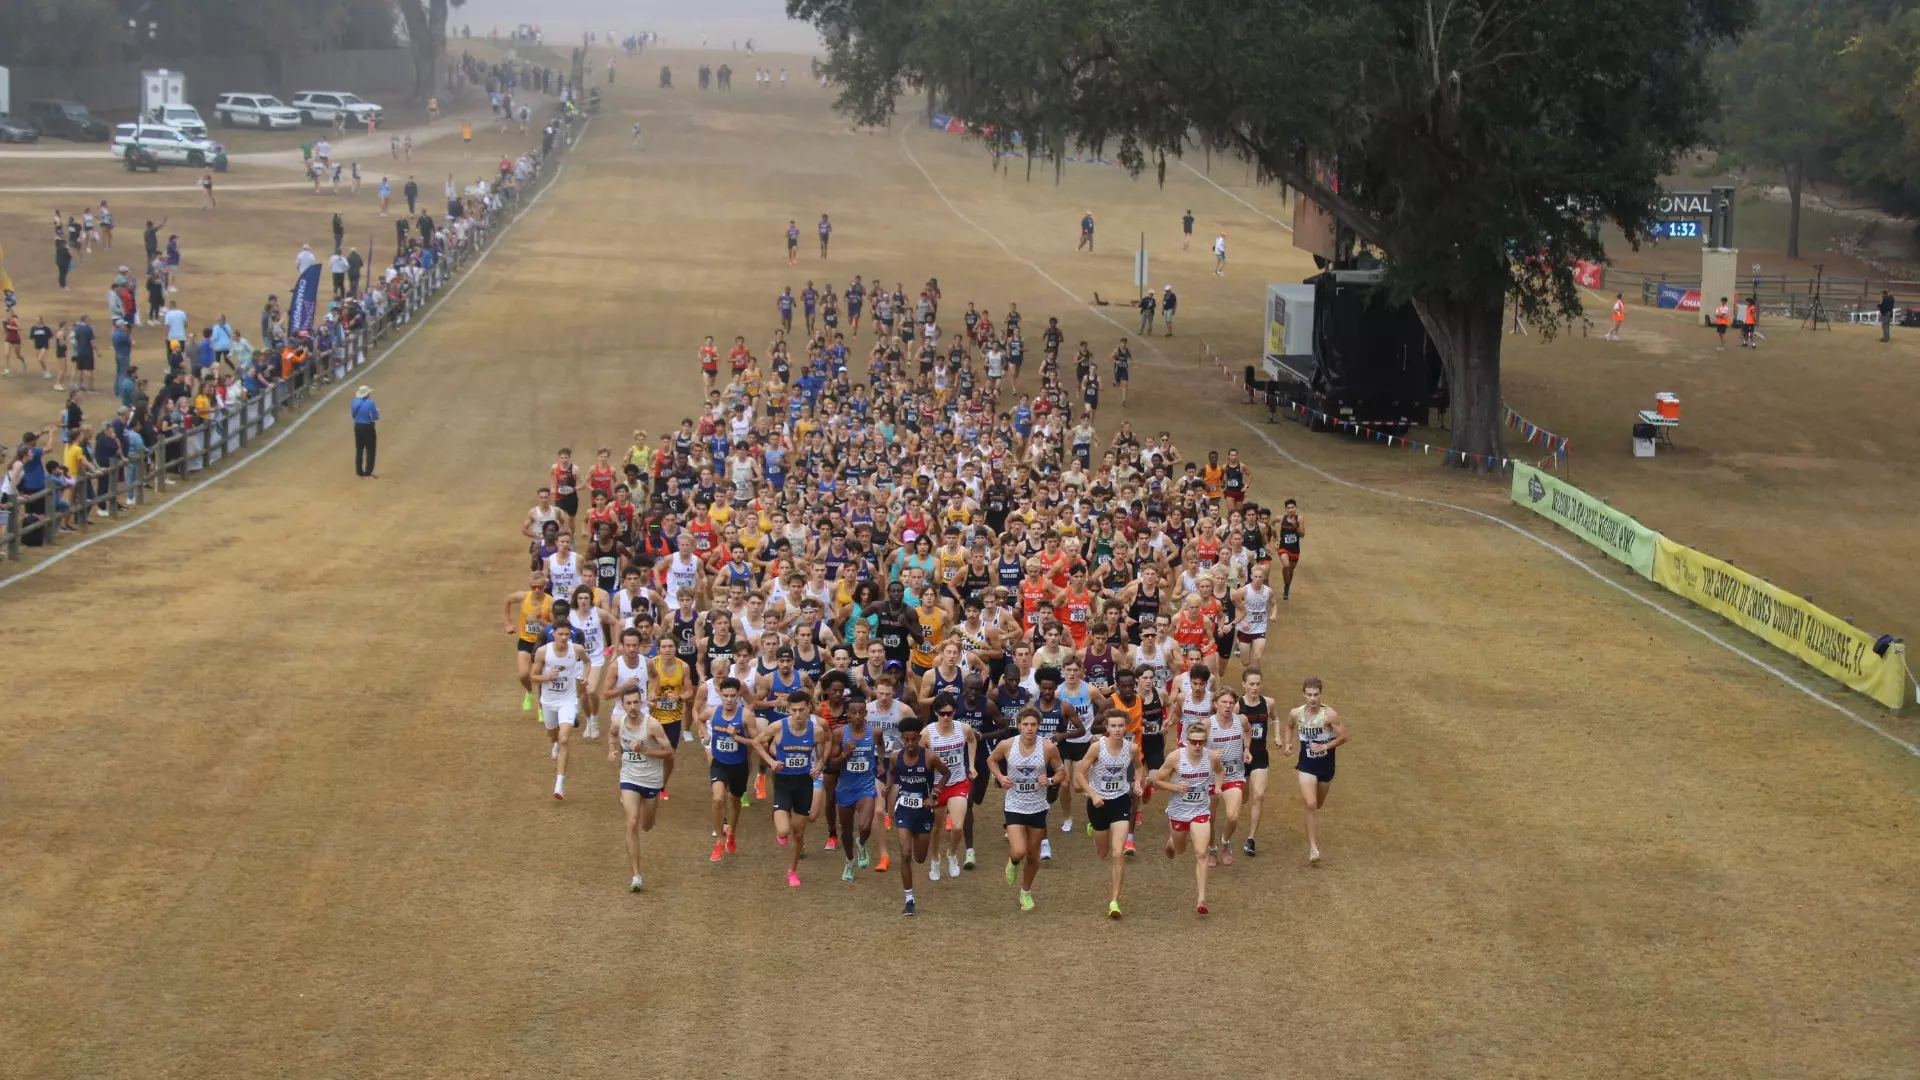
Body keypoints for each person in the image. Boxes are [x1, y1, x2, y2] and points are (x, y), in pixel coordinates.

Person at [988, 708, 1063, 912]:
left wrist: (1050, 780)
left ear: (1038, 726)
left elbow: (1061, 772)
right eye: (1025, 724)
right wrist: (1000, 777)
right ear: (1019, 725)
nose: (1029, 728)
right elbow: (991, 760)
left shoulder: (1047, 747)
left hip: (1038, 806)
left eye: (1033, 725)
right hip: (1014, 804)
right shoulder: (1007, 745)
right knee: (1019, 851)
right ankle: (1013, 861)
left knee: (1032, 855)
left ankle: (1025, 892)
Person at [754, 689, 826, 887]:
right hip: (783, 783)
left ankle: (792, 871)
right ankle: (779, 820)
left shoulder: (817, 731)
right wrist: (771, 761)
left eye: (802, 710)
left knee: (799, 833)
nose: (798, 714)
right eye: (794, 710)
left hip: (804, 784)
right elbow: (756, 742)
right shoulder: (778, 727)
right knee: (784, 831)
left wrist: (818, 767)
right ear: (788, 710)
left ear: (809, 708)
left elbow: (822, 755)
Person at [1077, 711, 1143, 918]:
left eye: (1120, 726)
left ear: (1126, 727)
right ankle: (1093, 827)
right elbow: (1079, 773)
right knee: (1102, 853)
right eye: (1113, 726)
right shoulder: (1097, 747)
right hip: (1098, 803)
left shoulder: (1132, 748)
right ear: (1107, 728)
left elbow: (1139, 767)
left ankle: (1114, 901)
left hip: (1120, 801)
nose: (1117, 730)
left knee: (1117, 853)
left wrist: (1138, 782)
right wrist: (1093, 794)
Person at [1155, 721, 1224, 913]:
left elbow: (1220, 772)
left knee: (1201, 853)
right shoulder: (1175, 758)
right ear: (1187, 740)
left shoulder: (1211, 757)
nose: (1197, 746)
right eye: (1193, 742)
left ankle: (1201, 900)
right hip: (1178, 811)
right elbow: (1157, 780)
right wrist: (1176, 787)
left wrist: (1218, 787)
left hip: (1200, 810)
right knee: (1180, 849)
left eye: (1201, 742)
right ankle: (1171, 842)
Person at [608, 687, 672, 891]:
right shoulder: (618, 722)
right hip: (629, 777)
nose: (632, 707)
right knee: (632, 821)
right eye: (628, 703)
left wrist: (643, 749)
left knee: (646, 825)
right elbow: (612, 734)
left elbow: (669, 752)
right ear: (622, 705)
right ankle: (636, 876)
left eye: (636, 702)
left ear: (641, 702)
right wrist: (612, 750)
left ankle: (649, 813)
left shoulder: (652, 725)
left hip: (651, 780)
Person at [884, 716, 949, 915]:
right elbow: (891, 771)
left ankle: (916, 839)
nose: (910, 744)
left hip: (923, 812)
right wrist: (888, 786)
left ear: (919, 738)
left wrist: (934, 795)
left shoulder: (929, 757)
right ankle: (909, 898)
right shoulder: (896, 756)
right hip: (904, 809)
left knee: (920, 858)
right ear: (902, 739)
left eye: (914, 739)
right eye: (907, 740)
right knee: (905, 853)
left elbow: (946, 773)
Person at [1284, 675, 1348, 865]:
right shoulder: (1296, 713)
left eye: (1316, 695)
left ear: (1321, 695)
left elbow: (1344, 736)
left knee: (1317, 805)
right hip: (1306, 765)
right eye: (1309, 694)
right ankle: (1313, 848)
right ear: (1303, 694)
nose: (1312, 698)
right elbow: (1289, 726)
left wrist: (1325, 746)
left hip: (1326, 766)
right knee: (1311, 804)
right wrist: (1288, 743)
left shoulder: (1329, 715)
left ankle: (1310, 821)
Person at [532, 602, 587, 800]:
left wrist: (585, 676)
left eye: (567, 634)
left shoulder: (577, 649)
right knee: (552, 735)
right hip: (549, 701)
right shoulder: (543, 652)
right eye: (561, 634)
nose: (564, 638)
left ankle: (559, 785)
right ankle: (554, 742)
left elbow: (587, 662)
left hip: (568, 700)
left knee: (565, 739)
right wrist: (548, 677)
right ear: (553, 633)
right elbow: (534, 677)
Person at [696, 675, 754, 859]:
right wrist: (704, 735)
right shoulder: (712, 712)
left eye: (733, 696)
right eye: (725, 695)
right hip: (719, 763)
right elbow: (700, 719)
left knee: (735, 800)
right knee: (718, 799)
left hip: (739, 765)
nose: (729, 700)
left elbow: (756, 740)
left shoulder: (745, 715)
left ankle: (732, 833)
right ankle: (720, 840)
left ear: (738, 696)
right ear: (720, 694)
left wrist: (738, 737)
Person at [828, 690, 883, 881]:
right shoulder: (839, 734)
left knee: (865, 826)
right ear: (848, 714)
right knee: (846, 831)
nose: (858, 716)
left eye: (861, 712)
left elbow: (881, 746)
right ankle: (850, 861)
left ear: (866, 713)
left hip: (866, 786)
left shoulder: (874, 732)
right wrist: (845, 753)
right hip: (845, 788)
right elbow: (832, 764)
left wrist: (881, 763)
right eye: (853, 712)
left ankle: (861, 843)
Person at [1237, 669, 1275, 857]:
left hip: (1260, 756)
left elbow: (1275, 719)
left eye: (1258, 684)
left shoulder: (1268, 703)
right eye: (1251, 684)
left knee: (1258, 795)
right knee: (1242, 798)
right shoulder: (1237, 706)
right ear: (1244, 684)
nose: (1255, 687)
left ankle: (1251, 839)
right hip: (1239, 758)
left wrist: (1277, 736)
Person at [1276, 498, 1304, 600]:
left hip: (1295, 549)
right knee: (1286, 565)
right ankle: (1286, 584)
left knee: (1291, 571)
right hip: (1283, 548)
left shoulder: (1299, 519)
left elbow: (1302, 534)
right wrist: (1275, 537)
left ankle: (1286, 587)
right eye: (1288, 508)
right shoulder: (1281, 518)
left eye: (1292, 507)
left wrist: (1295, 526)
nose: (1291, 510)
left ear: (1295, 508)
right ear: (1285, 509)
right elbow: (1271, 523)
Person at [350, 386, 379, 477]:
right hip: (368, 427)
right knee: (370, 449)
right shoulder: (370, 403)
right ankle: (368, 472)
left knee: (359, 449)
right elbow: (375, 416)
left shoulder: (355, 402)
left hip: (357, 426)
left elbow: (353, 415)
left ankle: (359, 471)